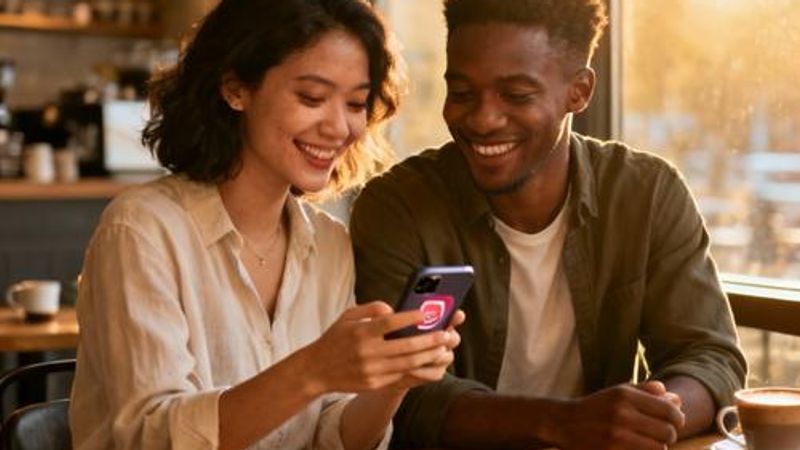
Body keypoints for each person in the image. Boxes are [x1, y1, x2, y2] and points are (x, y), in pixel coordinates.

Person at [350, 0, 747, 449]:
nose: (482, 119)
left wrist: (648, 415)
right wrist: (563, 423)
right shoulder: (397, 206)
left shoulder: (647, 195)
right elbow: (398, 395)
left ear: (579, 91)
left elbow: (710, 358)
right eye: (461, 93)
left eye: (516, 96)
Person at [68, 1, 464, 449]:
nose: (339, 127)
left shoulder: (329, 243)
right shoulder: (142, 230)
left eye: (356, 103)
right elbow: (151, 437)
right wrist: (313, 370)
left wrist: (393, 382)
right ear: (236, 88)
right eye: (312, 98)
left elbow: (334, 436)